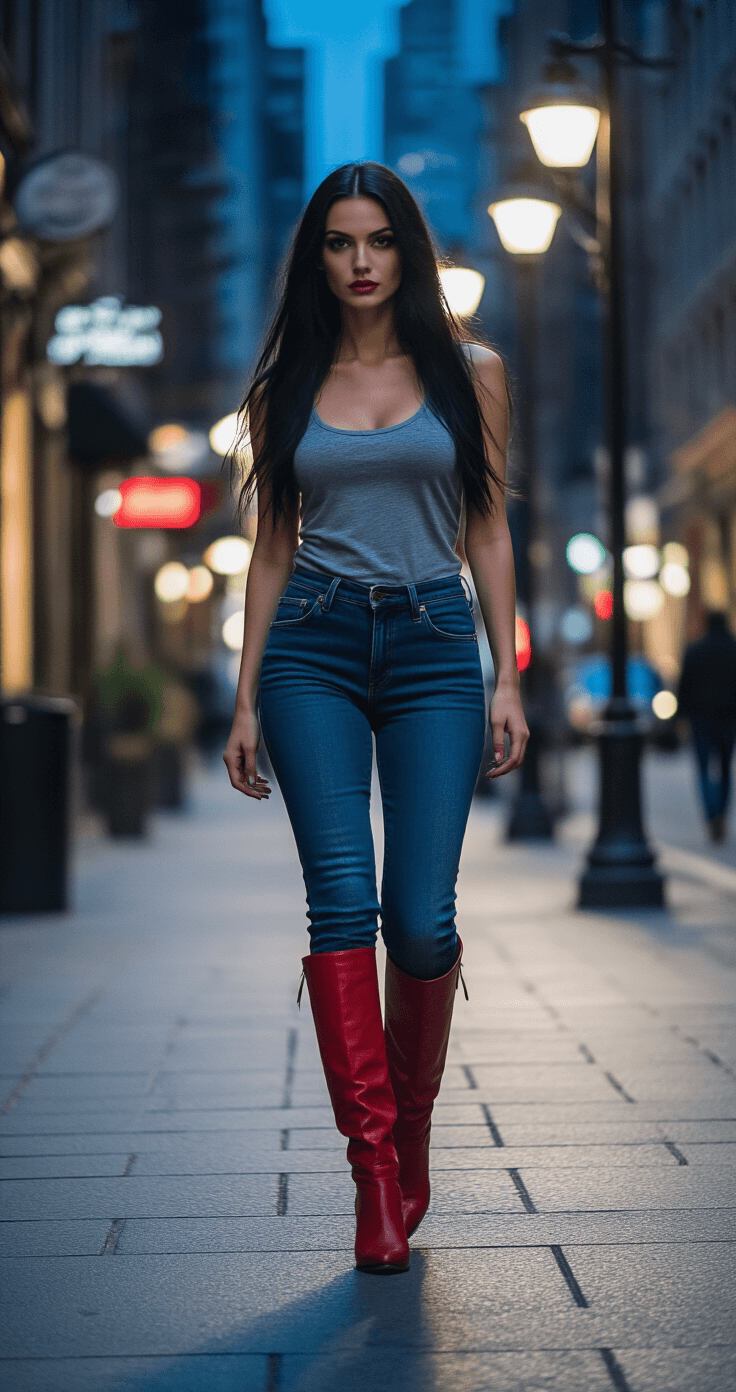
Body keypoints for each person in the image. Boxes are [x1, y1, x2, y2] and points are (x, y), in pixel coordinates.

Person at [223, 162, 528, 1274]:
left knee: (422, 919)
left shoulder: (471, 371)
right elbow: (268, 549)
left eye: (380, 240)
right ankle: (372, 1182)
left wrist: (507, 674)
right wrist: (247, 694)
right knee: (341, 900)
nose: (360, 260)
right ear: (317, 258)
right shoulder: (284, 383)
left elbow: (486, 528)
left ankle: (411, 1130)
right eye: (340, 242)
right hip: (311, 644)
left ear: (409, 251)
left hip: (436, 649)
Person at [678, 609, 736, 843]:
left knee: (703, 769)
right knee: (724, 768)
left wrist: (681, 717)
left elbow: (684, 686)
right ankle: (720, 813)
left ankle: (711, 813)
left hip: (701, 719)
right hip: (728, 718)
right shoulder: (733, 649)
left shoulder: (695, 650)